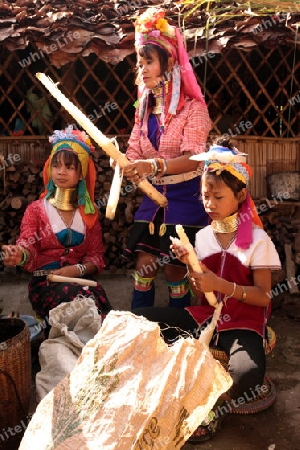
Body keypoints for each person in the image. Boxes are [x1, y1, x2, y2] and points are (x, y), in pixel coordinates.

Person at [133, 136, 281, 442]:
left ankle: (211, 407)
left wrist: (222, 285)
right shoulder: (202, 237)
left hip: (244, 322)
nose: (209, 204)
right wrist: (190, 265)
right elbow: (201, 291)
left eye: (218, 196)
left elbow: (264, 296)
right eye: (205, 196)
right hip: (206, 315)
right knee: (139, 321)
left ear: (240, 195)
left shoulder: (257, 239)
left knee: (246, 374)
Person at [122, 8, 211, 309]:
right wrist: (123, 162)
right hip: (154, 195)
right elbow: (134, 150)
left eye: (149, 61)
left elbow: (196, 158)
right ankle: (138, 329)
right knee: (144, 265)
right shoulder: (142, 109)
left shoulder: (193, 109)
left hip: (186, 195)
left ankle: (179, 333)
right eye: (140, 62)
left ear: (169, 63)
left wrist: (154, 165)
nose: (143, 68)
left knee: (175, 267)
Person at [2, 125, 111, 329]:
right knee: (79, 301)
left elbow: (96, 257)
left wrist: (77, 270)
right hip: (46, 284)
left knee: (101, 306)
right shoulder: (36, 210)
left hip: (82, 283)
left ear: (81, 173)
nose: (61, 172)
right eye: (56, 166)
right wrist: (21, 254)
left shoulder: (89, 213)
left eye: (69, 167)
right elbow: (27, 244)